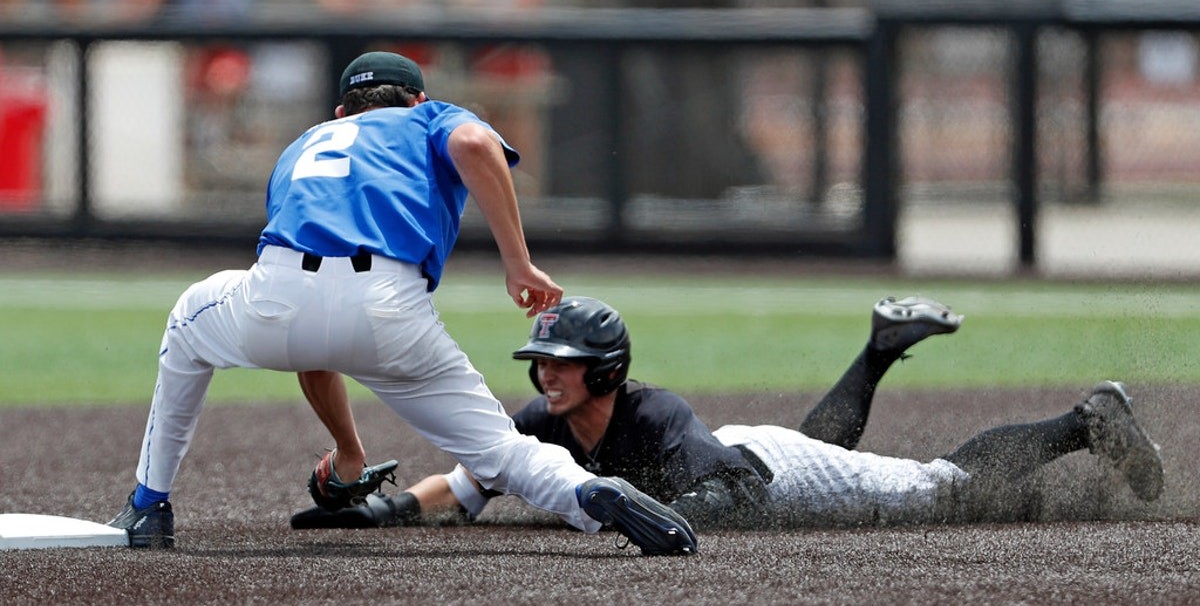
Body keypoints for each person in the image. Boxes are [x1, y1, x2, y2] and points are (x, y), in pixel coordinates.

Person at [106, 51, 698, 556]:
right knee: (500, 452)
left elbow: (316, 334)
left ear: (341, 112)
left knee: (188, 322)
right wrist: (516, 260)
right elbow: (471, 140)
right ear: (417, 99)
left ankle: (149, 506)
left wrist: (347, 449)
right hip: (390, 306)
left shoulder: (307, 141)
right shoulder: (427, 118)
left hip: (278, 299)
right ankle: (587, 493)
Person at [291, 295, 1165, 531]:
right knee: (817, 441)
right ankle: (879, 349)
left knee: (943, 488)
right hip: (746, 453)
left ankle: (1084, 422)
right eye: (542, 364)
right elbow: (473, 477)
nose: (545, 375)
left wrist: (652, 519)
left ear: (605, 371)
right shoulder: (544, 423)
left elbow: (736, 489)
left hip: (775, 476)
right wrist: (387, 507)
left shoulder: (657, 412)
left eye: (560, 364)